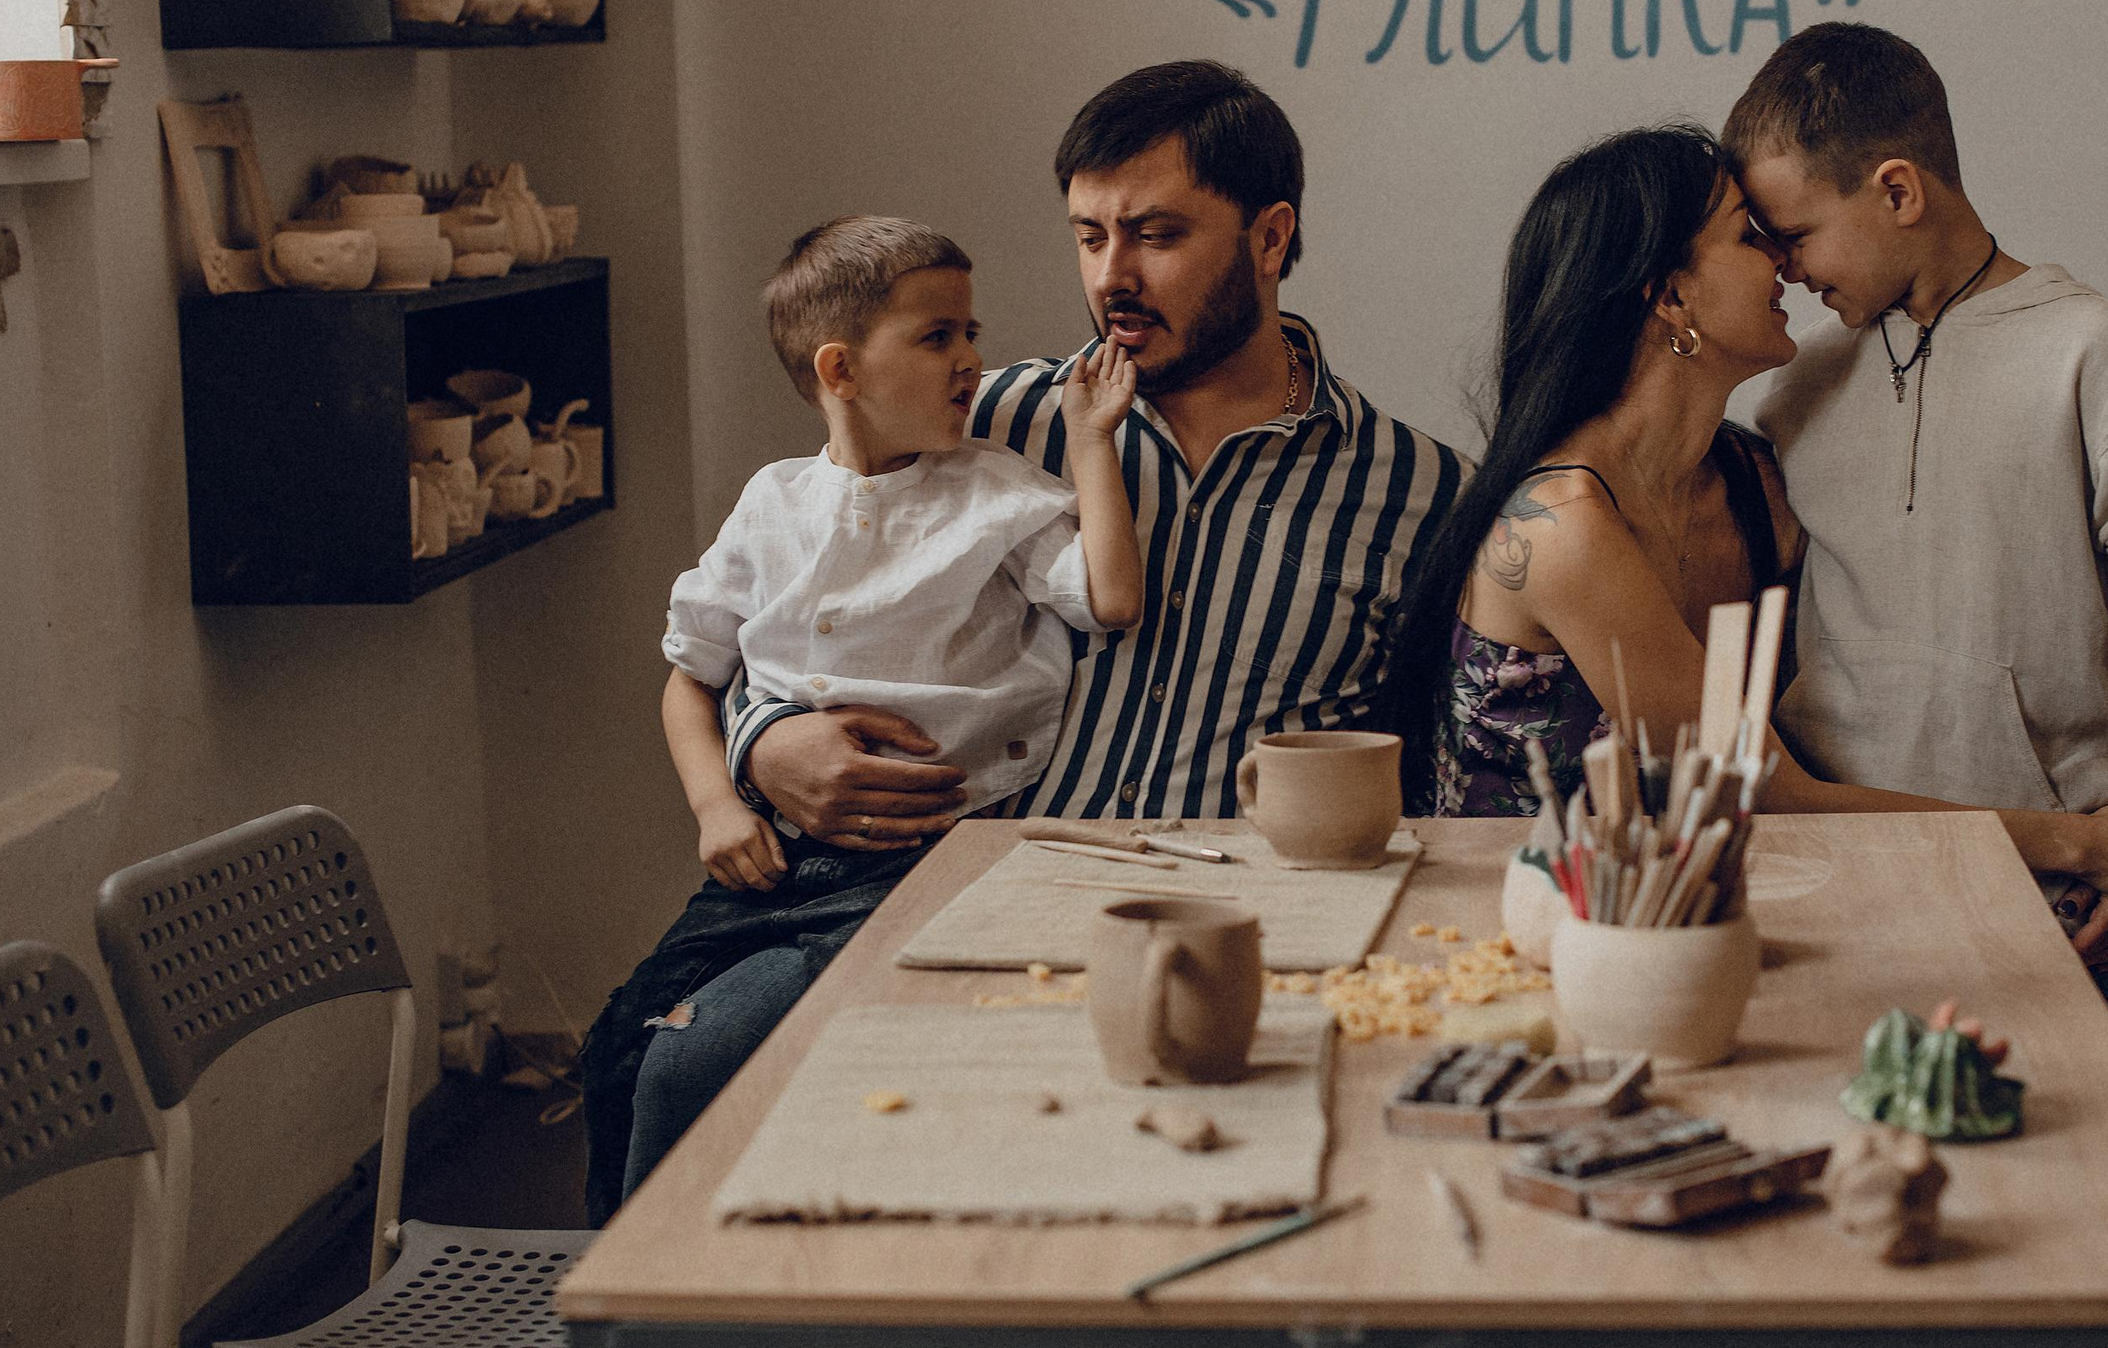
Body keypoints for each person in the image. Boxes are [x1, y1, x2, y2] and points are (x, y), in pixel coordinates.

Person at [585, 62, 1464, 1222]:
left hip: (1233, 933)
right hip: (959, 896)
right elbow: (795, 615)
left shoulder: (1416, 491)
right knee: (680, 1062)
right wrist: (767, 744)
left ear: (1270, 235)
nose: (1111, 278)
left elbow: (1434, 763)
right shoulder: (977, 421)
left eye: (1153, 235)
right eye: (1088, 236)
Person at [1375, 124, 2108, 908]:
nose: (1786, 259)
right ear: (1672, 294)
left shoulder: (1756, 484)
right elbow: (1773, 793)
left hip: (1692, 920)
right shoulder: (1562, 526)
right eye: (1750, 237)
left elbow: (1931, 636)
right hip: (1503, 939)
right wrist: (2084, 844)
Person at [591, 215, 1142, 1220]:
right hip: (785, 865)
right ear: (840, 370)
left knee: (714, 1061)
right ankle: (638, 1316)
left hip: (942, 862)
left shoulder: (999, 495)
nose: (971, 359)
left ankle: (683, 1297)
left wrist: (1092, 442)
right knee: (637, 1044)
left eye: (970, 331)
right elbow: (689, 676)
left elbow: (1108, 597)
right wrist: (717, 807)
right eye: (938, 338)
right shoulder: (772, 505)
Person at [1727, 22, 2108, 995]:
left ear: (1898, 191)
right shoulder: (1793, 389)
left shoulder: (2091, 351)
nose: (1782, 268)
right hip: (1842, 866)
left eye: (1793, 234)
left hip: (2062, 883)